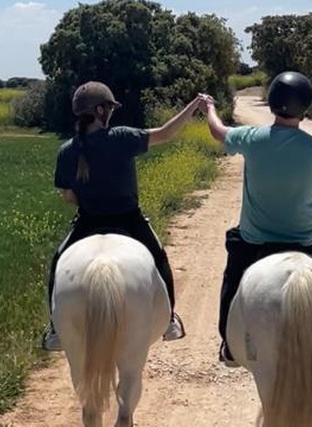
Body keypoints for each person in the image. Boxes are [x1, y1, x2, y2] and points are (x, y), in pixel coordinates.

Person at [198, 71, 312, 367]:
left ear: (272, 103)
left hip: (254, 239)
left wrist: (209, 107)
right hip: (307, 238)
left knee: (233, 277)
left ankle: (230, 344)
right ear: (305, 108)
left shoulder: (250, 139)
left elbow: (218, 131)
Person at [42, 81, 201, 351]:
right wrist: (193, 106)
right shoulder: (122, 137)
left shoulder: (67, 150)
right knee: (159, 257)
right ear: (102, 111)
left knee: (59, 261)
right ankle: (170, 319)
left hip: (88, 221)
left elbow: (68, 196)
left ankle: (55, 328)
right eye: (110, 108)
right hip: (129, 219)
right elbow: (166, 133)